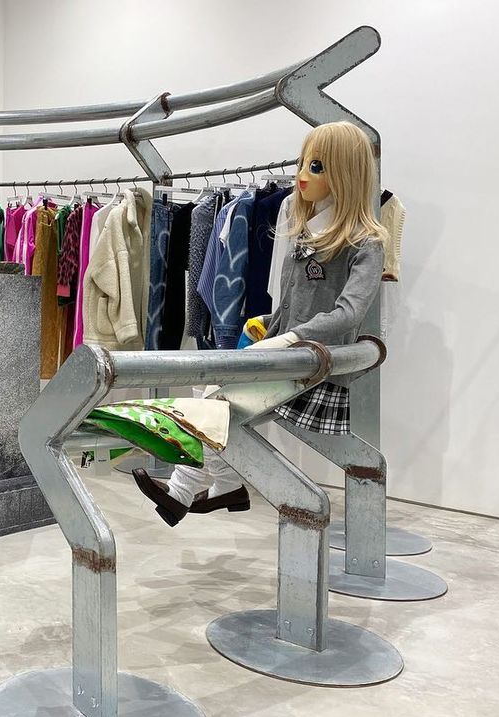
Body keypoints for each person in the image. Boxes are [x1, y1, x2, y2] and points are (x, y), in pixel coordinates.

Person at [134, 121, 386, 527]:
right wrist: (268, 323)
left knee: (216, 404)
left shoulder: (365, 242)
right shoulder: (307, 231)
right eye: (302, 163)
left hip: (312, 367)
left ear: (346, 172)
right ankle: (213, 488)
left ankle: (198, 489)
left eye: (316, 166)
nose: (301, 176)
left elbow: (348, 313)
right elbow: (294, 303)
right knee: (212, 399)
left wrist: (292, 337)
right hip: (285, 354)